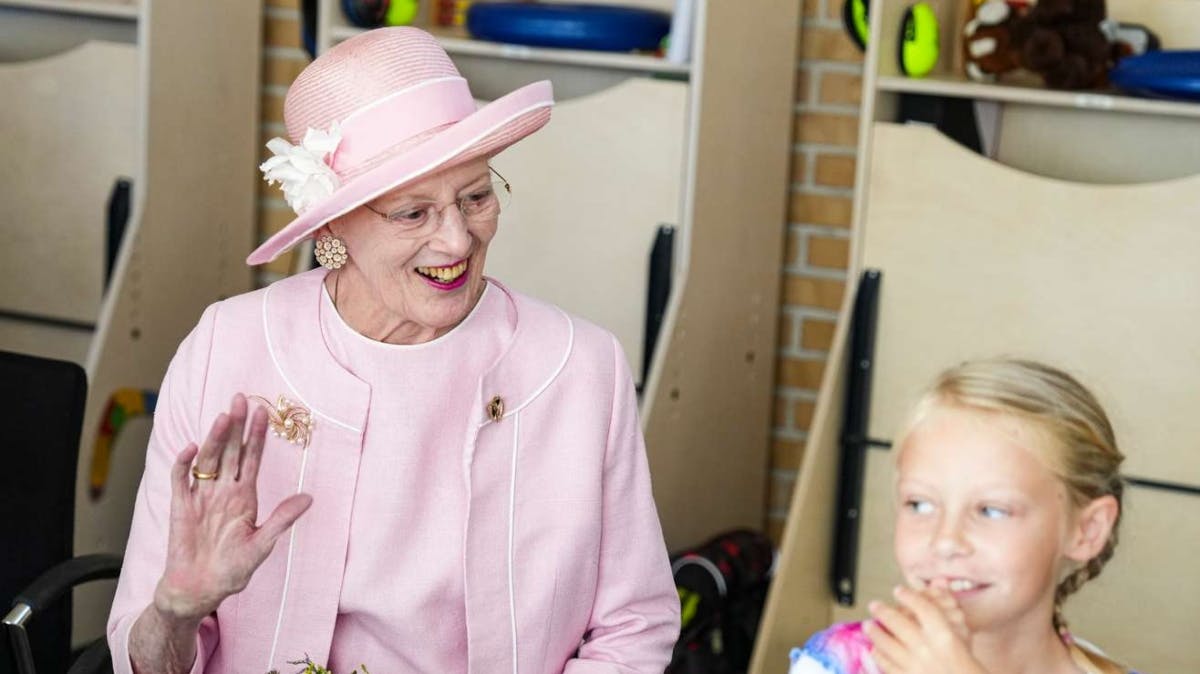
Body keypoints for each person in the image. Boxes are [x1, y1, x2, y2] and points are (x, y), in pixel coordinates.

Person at [107, 27, 680, 674]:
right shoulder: (228, 347)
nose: (457, 241)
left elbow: (635, 627)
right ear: (333, 224)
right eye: (413, 213)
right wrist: (176, 614)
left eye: (476, 197)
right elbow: (143, 657)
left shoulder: (579, 367)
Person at [788, 358, 1138, 674]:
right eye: (920, 505)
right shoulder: (837, 664)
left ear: (1087, 530)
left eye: (991, 510)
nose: (945, 541)